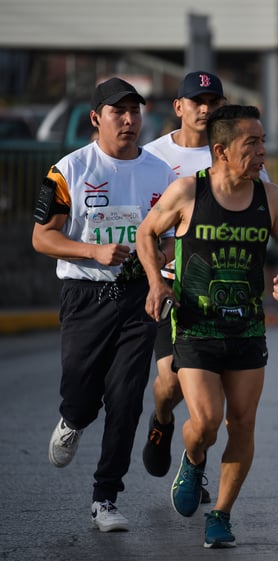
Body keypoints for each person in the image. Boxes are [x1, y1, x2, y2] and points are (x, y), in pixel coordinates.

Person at [136, 105, 278, 548]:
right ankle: (192, 459)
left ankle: (222, 514)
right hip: (195, 323)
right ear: (221, 151)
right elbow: (146, 233)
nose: (263, 151)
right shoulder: (188, 192)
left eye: (264, 141)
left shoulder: (271, 197)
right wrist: (156, 283)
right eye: (252, 143)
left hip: (247, 328)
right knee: (207, 422)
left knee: (242, 424)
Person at [31, 77, 178, 532]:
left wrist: (161, 268)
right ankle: (73, 418)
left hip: (138, 297)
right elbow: (42, 237)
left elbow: (172, 238)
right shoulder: (68, 170)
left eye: (135, 112)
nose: (130, 121)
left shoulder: (160, 173)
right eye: (119, 112)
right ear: (97, 118)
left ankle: (105, 498)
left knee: (126, 400)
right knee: (81, 392)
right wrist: (92, 250)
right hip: (85, 295)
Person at [140, 71, 227, 503]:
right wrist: (156, 261)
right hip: (172, 287)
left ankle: (195, 466)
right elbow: (142, 221)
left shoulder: (228, 154)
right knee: (169, 384)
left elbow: (259, 204)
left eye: (213, 101)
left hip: (218, 294)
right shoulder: (153, 157)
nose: (205, 109)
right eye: (197, 101)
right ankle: (161, 420)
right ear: (179, 106)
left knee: (206, 393)